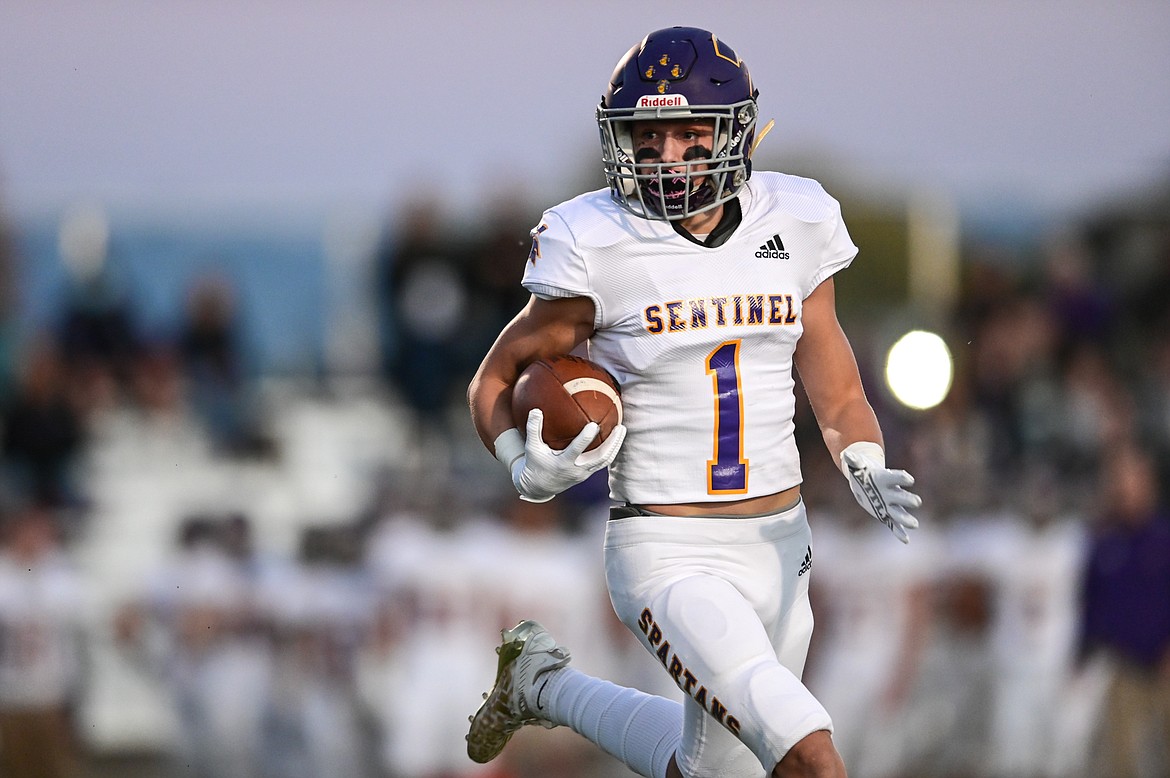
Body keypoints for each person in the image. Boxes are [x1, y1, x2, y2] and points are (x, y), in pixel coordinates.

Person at [464, 26, 921, 778]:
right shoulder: (596, 240)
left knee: (720, 771)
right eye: (647, 137)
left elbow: (833, 377)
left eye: (687, 134)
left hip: (784, 545)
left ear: (735, 132)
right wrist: (518, 461)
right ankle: (544, 685)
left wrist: (861, 451)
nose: (667, 156)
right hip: (667, 550)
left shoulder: (796, 219)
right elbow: (492, 377)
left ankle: (542, 685)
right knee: (810, 756)